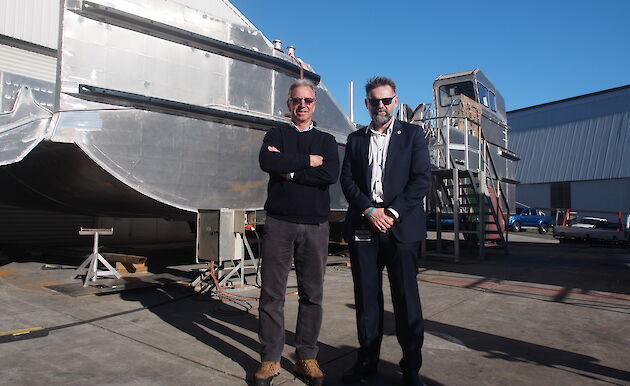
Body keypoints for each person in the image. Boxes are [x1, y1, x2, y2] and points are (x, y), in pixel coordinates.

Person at [339, 76, 431, 386]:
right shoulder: (355, 140)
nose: (381, 105)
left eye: (386, 100)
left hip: (400, 226)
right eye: (374, 101)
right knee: (367, 298)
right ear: (366, 104)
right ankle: (366, 363)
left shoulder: (413, 136)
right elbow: (347, 180)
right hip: (365, 225)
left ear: (396, 101)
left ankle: (411, 368)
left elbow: (420, 180)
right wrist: (369, 210)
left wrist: (390, 213)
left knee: (406, 299)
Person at [255, 79, 340, 386]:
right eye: (296, 101)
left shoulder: (327, 140)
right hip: (279, 222)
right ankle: (270, 359)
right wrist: (305, 163)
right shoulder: (275, 133)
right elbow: (267, 160)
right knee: (271, 294)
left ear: (314, 104)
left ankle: (306, 356)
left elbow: (329, 173)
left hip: (316, 225)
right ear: (288, 105)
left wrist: (287, 170)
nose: (302, 105)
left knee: (312, 294)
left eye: (307, 100)